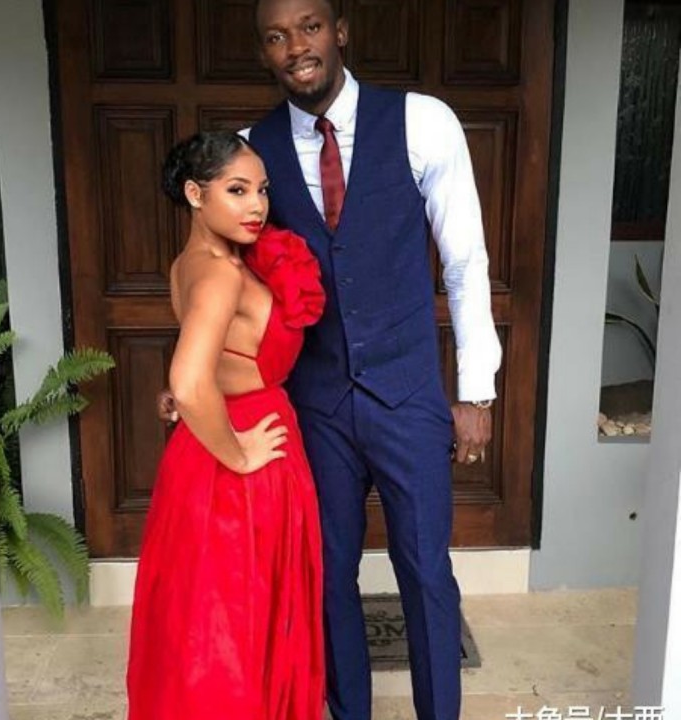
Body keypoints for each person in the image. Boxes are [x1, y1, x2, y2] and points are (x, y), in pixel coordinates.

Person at [161, 0, 501, 717]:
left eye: (310, 27)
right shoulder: (250, 154)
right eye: (276, 36)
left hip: (407, 395)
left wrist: (476, 390)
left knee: (426, 573)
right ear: (264, 52)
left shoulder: (423, 122)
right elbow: (224, 280)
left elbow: (465, 262)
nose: (296, 47)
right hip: (313, 406)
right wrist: (197, 378)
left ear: (339, 32)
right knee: (325, 578)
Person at [127, 131, 326, 720]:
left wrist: (189, 400)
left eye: (261, 190)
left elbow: (203, 369)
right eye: (237, 191)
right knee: (237, 624)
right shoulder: (220, 274)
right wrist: (239, 454)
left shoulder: (191, 265)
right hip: (242, 460)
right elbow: (191, 380)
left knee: (208, 619)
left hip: (204, 450)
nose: (256, 205)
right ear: (195, 194)